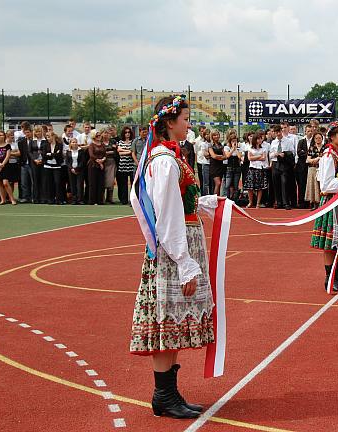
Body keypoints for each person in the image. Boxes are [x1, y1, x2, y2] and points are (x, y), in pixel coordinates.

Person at [130, 95, 215, 419]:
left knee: (173, 322)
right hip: (172, 251)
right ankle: (164, 396)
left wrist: (206, 203)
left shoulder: (170, 157)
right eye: (185, 119)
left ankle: (167, 394)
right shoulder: (164, 161)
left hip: (179, 245)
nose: (189, 124)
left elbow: (179, 203)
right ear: (169, 122)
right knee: (167, 321)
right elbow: (166, 216)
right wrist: (184, 263)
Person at [310, 119, 338, 293]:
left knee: (336, 243)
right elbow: (326, 185)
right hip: (332, 202)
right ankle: (330, 278)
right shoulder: (329, 155)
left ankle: (335, 277)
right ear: (332, 136)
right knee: (331, 243)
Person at [269, 124, 296, 210]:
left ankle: (286, 203)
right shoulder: (273, 142)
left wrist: (285, 154)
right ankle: (278, 202)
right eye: (276, 132)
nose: (278, 134)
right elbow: (270, 155)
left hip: (284, 164)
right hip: (275, 163)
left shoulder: (288, 141)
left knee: (285, 183)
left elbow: (292, 152)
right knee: (276, 183)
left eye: (279, 132)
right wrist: (275, 154)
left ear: (281, 131)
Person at [243, 131, 269, 208]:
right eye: (258, 139)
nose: (260, 140)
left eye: (260, 139)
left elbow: (264, 158)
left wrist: (255, 157)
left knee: (260, 187)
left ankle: (258, 203)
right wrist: (259, 156)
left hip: (260, 169)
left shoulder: (263, 148)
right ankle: (250, 202)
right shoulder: (250, 148)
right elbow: (249, 158)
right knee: (250, 187)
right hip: (252, 169)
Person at [0, 131, 17, 205]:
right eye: (0, 135)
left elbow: (7, 156)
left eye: (3, 135)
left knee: (5, 183)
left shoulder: (7, 146)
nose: (2, 136)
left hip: (6, 166)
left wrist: (2, 164)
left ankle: (12, 199)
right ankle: (3, 200)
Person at [42, 130, 65, 204]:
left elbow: (59, 155)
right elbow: (44, 155)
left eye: (49, 137)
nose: (47, 138)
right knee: (49, 183)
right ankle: (50, 199)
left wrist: (50, 154)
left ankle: (59, 199)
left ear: (53, 136)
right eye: (47, 137)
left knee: (57, 182)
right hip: (47, 166)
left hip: (57, 166)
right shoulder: (45, 145)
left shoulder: (59, 145)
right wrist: (53, 154)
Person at [304, 131, 324, 210]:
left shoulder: (325, 147)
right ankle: (314, 204)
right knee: (313, 186)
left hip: (322, 169)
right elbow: (308, 160)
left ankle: (322, 204)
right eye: (316, 138)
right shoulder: (312, 148)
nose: (318, 139)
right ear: (314, 139)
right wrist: (316, 159)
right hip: (313, 169)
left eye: (319, 138)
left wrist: (318, 159)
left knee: (321, 186)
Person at [117, 126, 136, 205]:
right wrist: (128, 151)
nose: (127, 134)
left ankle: (132, 200)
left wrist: (124, 151)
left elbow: (133, 152)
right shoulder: (120, 142)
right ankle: (124, 200)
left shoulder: (133, 142)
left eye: (128, 132)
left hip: (131, 165)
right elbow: (119, 152)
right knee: (123, 184)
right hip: (123, 165)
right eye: (126, 132)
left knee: (132, 183)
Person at [87, 130, 106, 205]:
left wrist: (103, 160)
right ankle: (92, 201)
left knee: (101, 183)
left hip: (101, 165)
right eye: (97, 135)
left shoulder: (102, 144)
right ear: (94, 136)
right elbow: (91, 155)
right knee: (93, 183)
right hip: (93, 165)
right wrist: (99, 162)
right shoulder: (91, 145)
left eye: (99, 135)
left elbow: (105, 154)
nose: (99, 136)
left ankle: (100, 200)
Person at [296, 125, 313, 208]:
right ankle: (301, 202)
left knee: (310, 184)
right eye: (308, 131)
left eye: (311, 131)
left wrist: (306, 153)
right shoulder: (301, 141)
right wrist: (308, 154)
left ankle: (311, 201)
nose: (310, 132)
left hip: (311, 165)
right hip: (302, 166)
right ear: (305, 132)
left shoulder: (314, 141)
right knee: (302, 184)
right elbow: (299, 152)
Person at [65, 137, 87, 204]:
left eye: (76, 142)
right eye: (73, 142)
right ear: (70, 143)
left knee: (79, 185)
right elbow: (67, 161)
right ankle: (74, 199)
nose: (74, 143)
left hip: (80, 170)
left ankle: (80, 200)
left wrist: (77, 168)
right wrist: (71, 168)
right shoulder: (68, 151)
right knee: (72, 185)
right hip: (71, 170)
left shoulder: (81, 151)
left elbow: (83, 161)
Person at [208, 130, 226, 196]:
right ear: (212, 136)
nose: (216, 136)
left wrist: (218, 156)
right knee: (218, 183)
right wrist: (221, 156)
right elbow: (213, 156)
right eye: (214, 135)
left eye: (217, 135)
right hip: (214, 167)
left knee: (219, 184)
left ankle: (217, 198)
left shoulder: (220, 144)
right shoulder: (210, 145)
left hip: (220, 166)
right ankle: (214, 199)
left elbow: (225, 156)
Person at [224, 135, 242, 200]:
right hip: (229, 168)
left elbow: (239, 156)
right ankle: (227, 198)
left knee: (236, 185)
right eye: (232, 141)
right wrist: (232, 149)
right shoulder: (226, 148)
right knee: (227, 185)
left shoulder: (239, 148)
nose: (234, 142)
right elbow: (227, 155)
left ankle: (235, 199)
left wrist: (236, 149)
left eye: (235, 141)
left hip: (237, 168)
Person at [103, 130, 118, 204]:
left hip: (112, 162)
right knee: (103, 180)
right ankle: (102, 198)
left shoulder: (113, 141)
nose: (106, 135)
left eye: (108, 133)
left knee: (111, 180)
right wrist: (108, 152)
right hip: (103, 162)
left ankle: (110, 198)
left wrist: (111, 152)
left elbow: (116, 151)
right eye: (105, 133)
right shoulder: (100, 142)